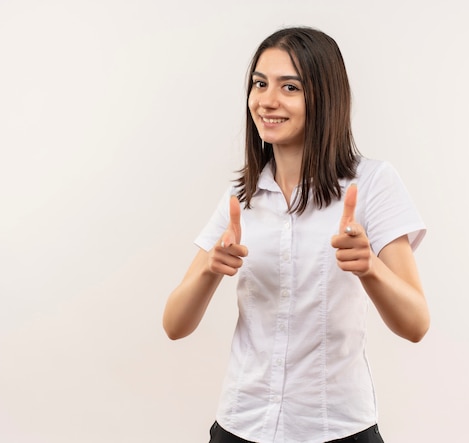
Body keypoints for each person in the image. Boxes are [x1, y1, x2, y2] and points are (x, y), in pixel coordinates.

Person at [163, 26, 429, 443]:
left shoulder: (372, 184)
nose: (267, 100)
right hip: (241, 425)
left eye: (290, 87)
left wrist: (370, 268)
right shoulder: (241, 198)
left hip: (336, 427)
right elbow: (174, 324)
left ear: (324, 97)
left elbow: (416, 324)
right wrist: (211, 269)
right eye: (259, 84)